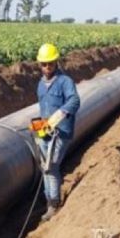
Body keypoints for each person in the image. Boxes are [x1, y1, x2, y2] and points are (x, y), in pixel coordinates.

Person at [34, 43, 81, 221]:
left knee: (51, 167)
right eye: (44, 64)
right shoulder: (40, 84)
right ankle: (48, 201)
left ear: (56, 62)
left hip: (60, 132)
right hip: (45, 130)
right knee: (44, 168)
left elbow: (75, 101)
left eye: (51, 64)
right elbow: (43, 107)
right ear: (39, 65)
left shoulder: (65, 82)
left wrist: (61, 113)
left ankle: (54, 204)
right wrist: (40, 124)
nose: (47, 68)